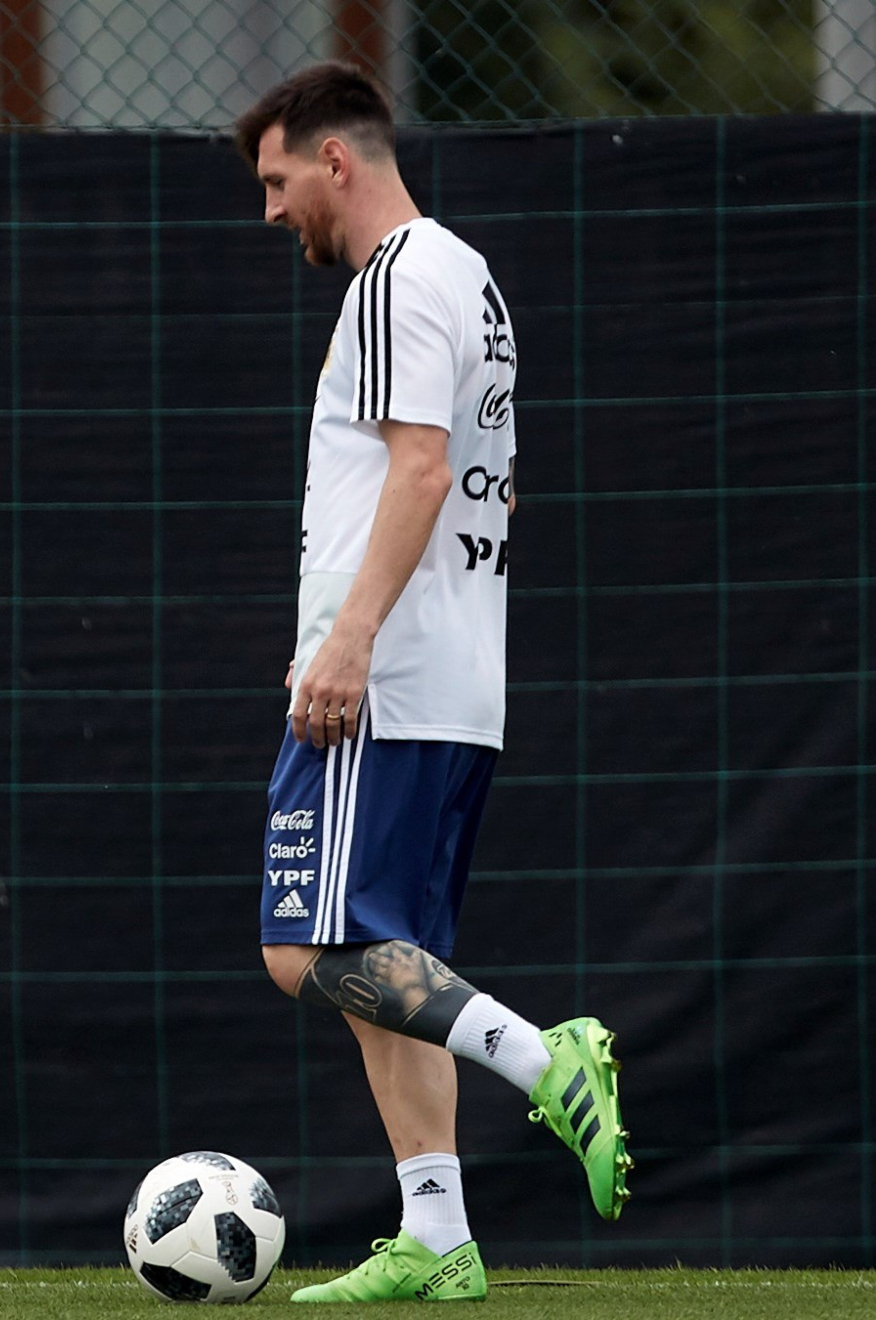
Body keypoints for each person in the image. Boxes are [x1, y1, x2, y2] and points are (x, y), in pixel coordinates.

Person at [232, 63, 631, 1302]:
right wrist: (338, 624)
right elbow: (467, 483)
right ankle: (439, 1236)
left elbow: (420, 470)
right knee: (390, 969)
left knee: (304, 949)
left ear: (334, 159)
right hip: (450, 674)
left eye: (277, 181)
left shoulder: (398, 277)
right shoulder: (467, 275)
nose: (272, 210)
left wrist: (349, 639)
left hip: (387, 681)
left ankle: (545, 1059)